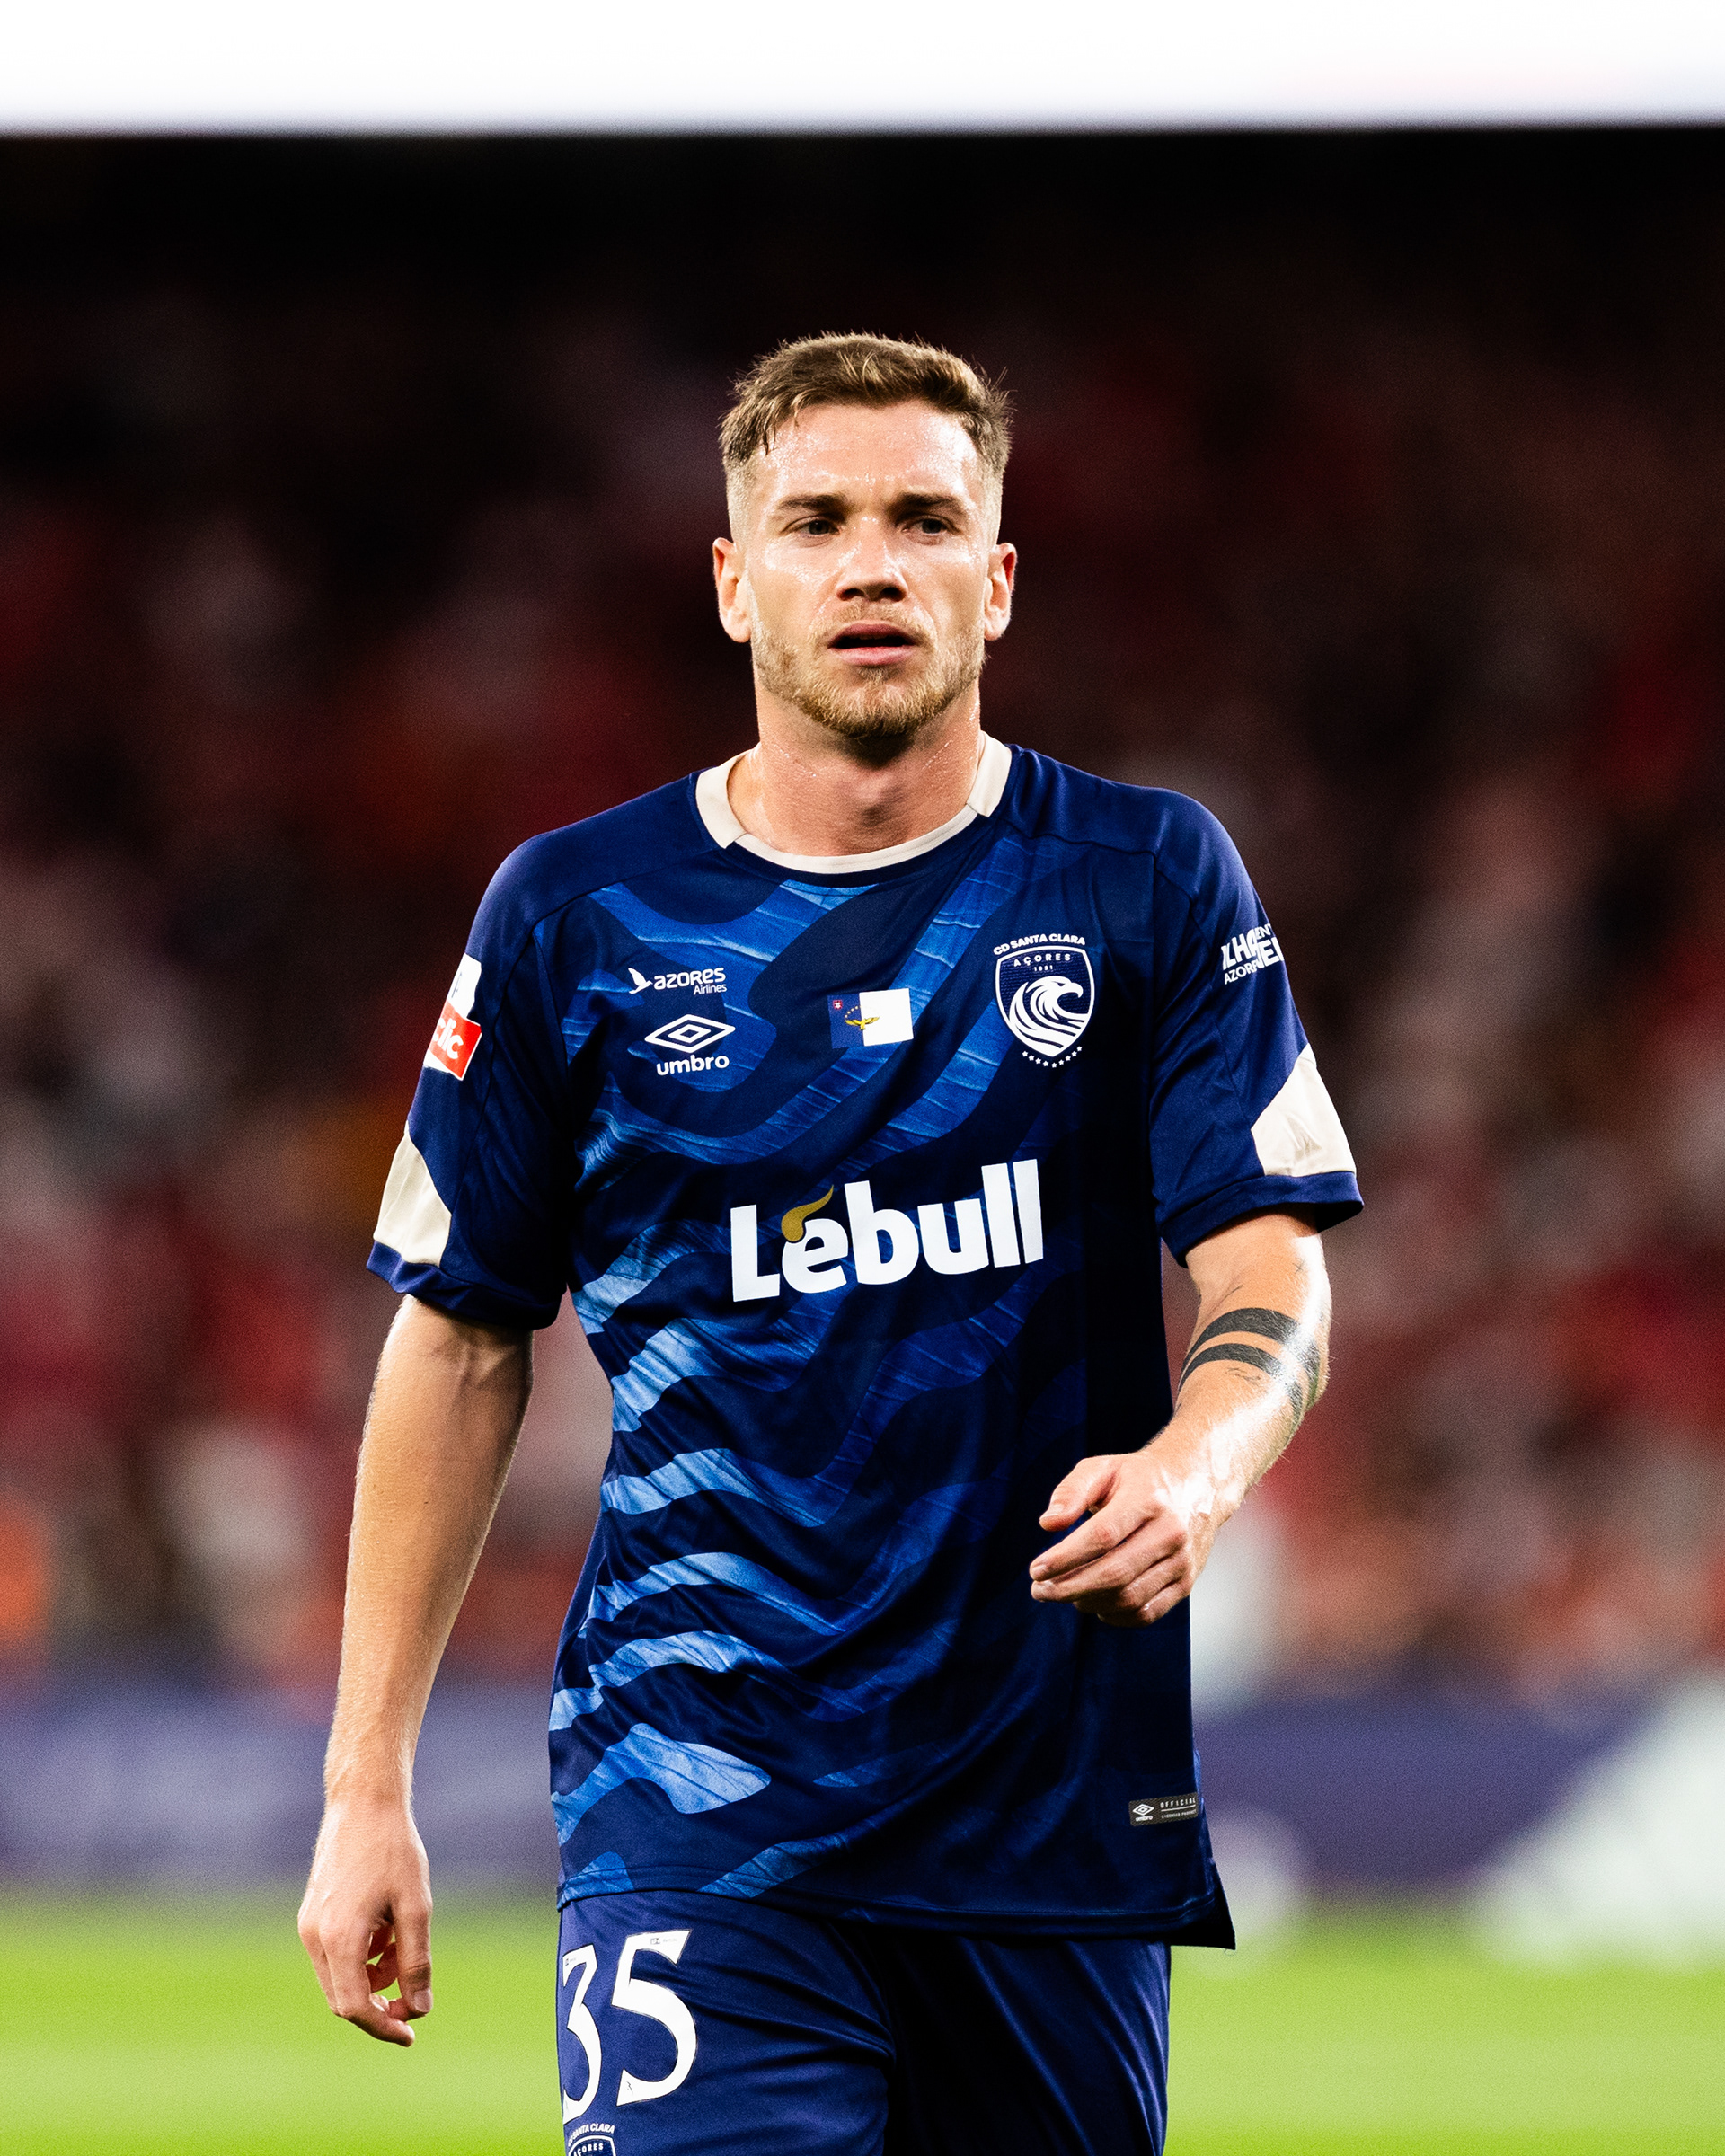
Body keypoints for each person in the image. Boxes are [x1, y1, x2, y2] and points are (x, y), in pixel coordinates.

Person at [298, 332, 1359, 2155]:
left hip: (1047, 1827)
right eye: (818, 522)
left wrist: (1200, 1466)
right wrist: (361, 1781)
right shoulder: (576, 918)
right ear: (736, 581)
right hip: (699, 1804)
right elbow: (459, 1339)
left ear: (996, 581)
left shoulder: (1143, 878)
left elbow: (1275, 1265)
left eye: (925, 520)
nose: (873, 563)